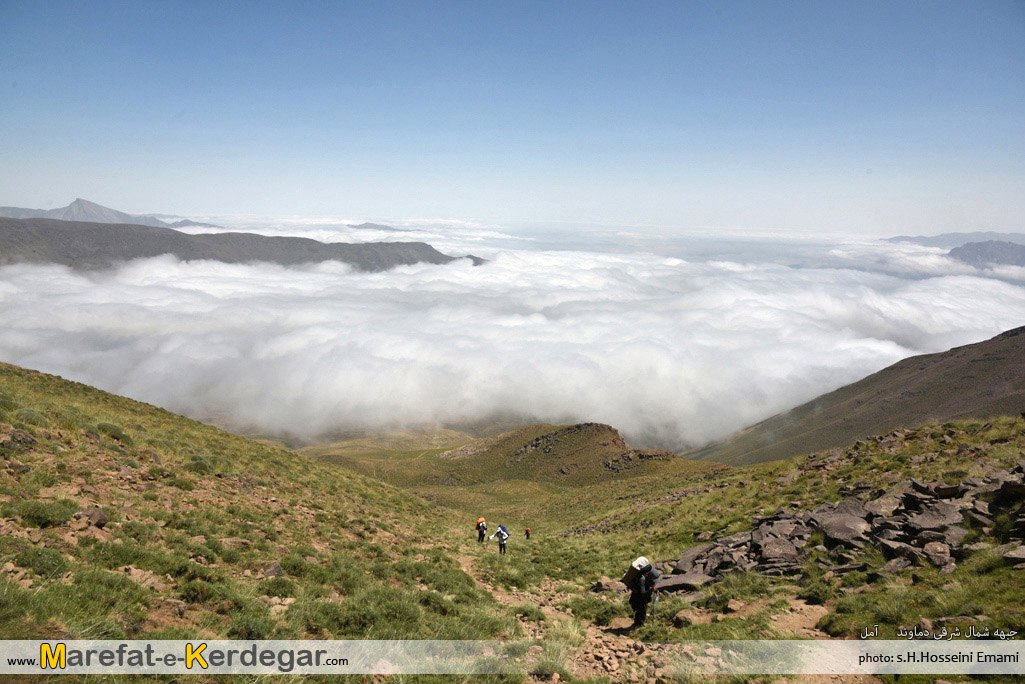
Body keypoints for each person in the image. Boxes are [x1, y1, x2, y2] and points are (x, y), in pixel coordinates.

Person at [629, 563, 661, 628]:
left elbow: (652, 584)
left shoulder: (649, 576)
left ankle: (638, 624)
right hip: (637, 597)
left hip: (643, 596)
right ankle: (638, 625)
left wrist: (656, 591)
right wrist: (652, 590)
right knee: (641, 610)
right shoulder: (641, 579)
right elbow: (643, 593)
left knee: (642, 610)